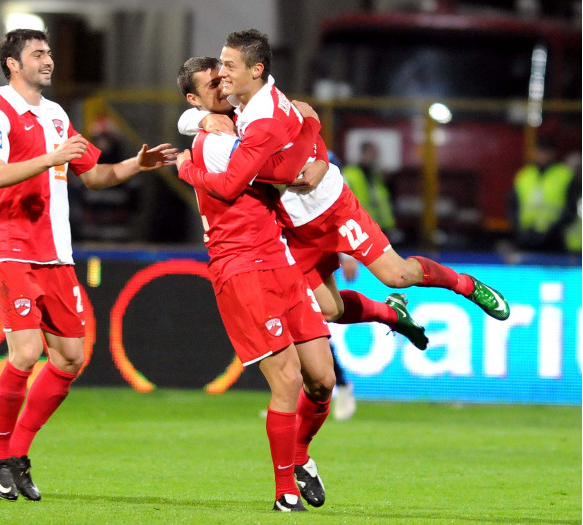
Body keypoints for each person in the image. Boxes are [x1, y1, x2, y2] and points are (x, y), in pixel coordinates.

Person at [179, 29, 510, 331]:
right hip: (294, 225)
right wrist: (201, 119)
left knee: (397, 275)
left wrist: (319, 156)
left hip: (331, 208)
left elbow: (280, 169)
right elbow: (300, 127)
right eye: (221, 66)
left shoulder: (265, 116)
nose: (222, 75)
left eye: (228, 66)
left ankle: (466, 285)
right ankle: (392, 313)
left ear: (256, 70)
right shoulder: (242, 98)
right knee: (330, 310)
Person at [0, 28, 177, 502]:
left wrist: (136, 165)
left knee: (69, 358)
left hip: (55, 255)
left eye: (49, 53)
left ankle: (18, 454)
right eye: (37, 54)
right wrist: (50, 158)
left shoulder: (57, 116)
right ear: (13, 64)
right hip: (8, 248)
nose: (48, 60)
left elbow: (95, 176)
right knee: (25, 352)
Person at [176, 56, 339, 512]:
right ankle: (284, 492)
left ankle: (299, 455)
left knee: (322, 379)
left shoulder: (244, 121)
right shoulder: (215, 142)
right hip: (241, 268)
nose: (223, 85)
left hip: (280, 260)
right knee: (287, 380)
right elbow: (278, 172)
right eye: (212, 84)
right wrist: (310, 130)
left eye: (224, 76)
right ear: (194, 98)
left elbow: (282, 124)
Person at [510, 136, 577, 252]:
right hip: (526, 239)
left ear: (553, 153)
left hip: (554, 239)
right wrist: (520, 230)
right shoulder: (524, 175)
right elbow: (512, 206)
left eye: (546, 152)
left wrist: (552, 230)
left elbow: (571, 210)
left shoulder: (565, 175)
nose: (542, 155)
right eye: (539, 151)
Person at [343, 141, 398, 240]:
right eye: (372, 153)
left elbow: (382, 201)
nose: (374, 157)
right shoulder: (350, 173)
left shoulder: (375, 176)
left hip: (379, 226)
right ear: (363, 153)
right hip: (360, 225)